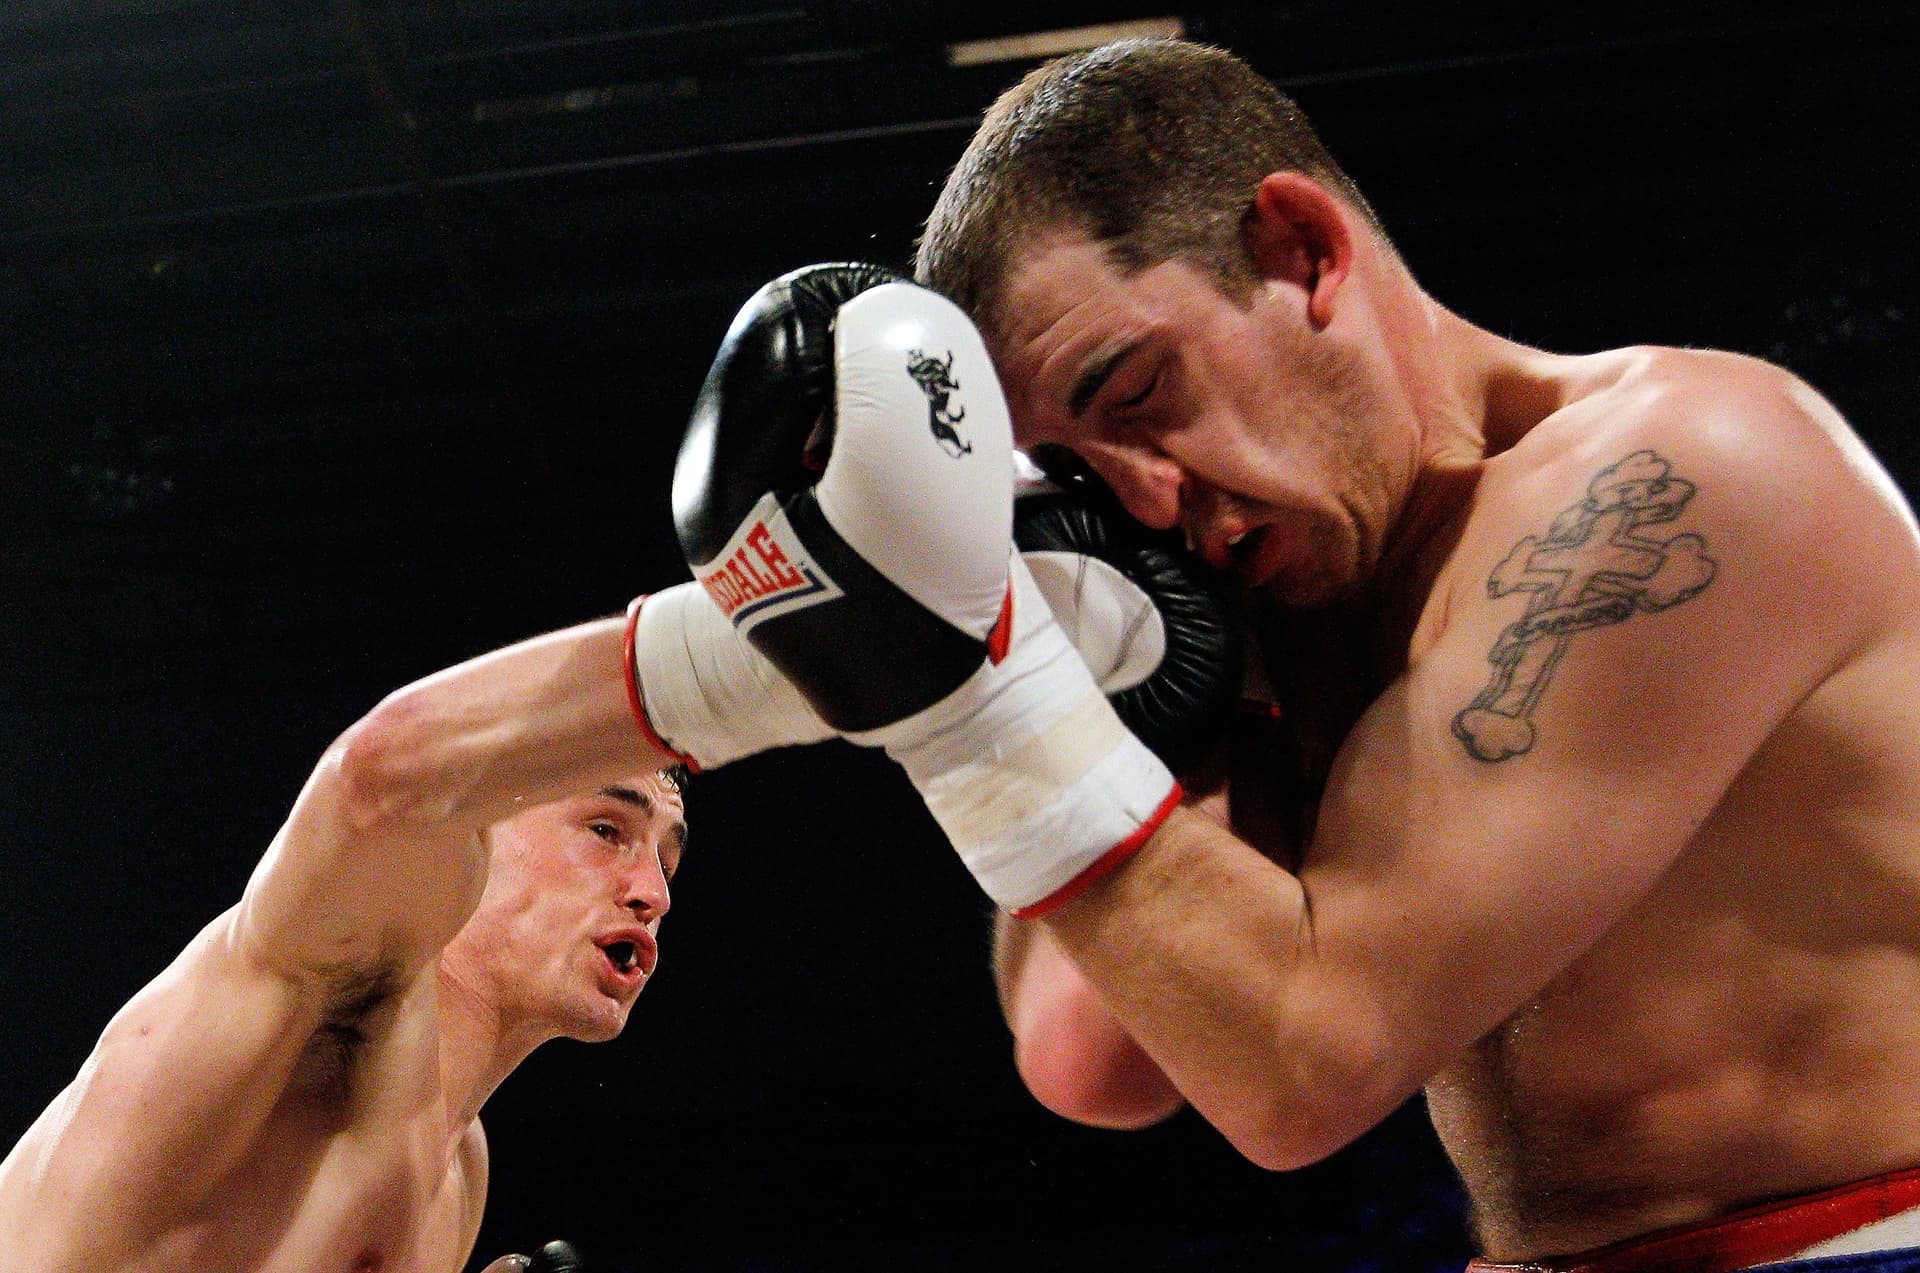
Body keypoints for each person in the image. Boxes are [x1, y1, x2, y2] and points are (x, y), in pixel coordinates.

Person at [677, 37, 1920, 1273]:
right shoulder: (1277, 584)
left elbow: (1302, 1066)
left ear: (1300, 249)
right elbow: (1091, 1058)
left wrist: (953, 693)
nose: (1146, 499)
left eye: (1134, 386)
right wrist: (1100, 640)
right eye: (1075, 471)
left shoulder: (1682, 471)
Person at [0, 589, 798, 1273]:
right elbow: (379, 777)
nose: (652, 891)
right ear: (481, 825)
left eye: (667, 860)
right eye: (604, 829)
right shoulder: (316, 1006)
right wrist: (724, 653)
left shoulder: (459, 1176)